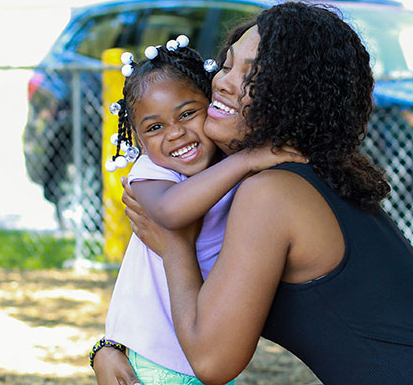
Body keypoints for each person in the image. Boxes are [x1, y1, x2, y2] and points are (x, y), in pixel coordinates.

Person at [116, 1, 413, 385]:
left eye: (253, 77)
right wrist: (113, 345)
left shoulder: (271, 193)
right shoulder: (303, 172)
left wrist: (174, 245)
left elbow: (212, 362)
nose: (224, 83)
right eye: (228, 64)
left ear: (292, 95)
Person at [92, 35, 306, 385]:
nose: (175, 133)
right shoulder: (152, 173)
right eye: (155, 127)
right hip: (156, 362)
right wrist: (247, 161)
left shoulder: (231, 168)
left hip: (208, 348)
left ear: (212, 105)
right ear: (139, 139)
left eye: (188, 113)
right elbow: (171, 212)